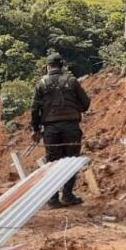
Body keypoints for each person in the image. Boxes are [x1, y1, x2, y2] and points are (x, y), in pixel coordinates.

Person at [30, 53, 92, 207]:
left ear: (47, 66)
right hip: (71, 127)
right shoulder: (72, 81)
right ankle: (68, 195)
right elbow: (85, 104)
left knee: (52, 163)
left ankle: (52, 198)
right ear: (62, 66)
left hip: (50, 129)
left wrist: (35, 128)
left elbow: (34, 109)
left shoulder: (41, 84)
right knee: (71, 161)